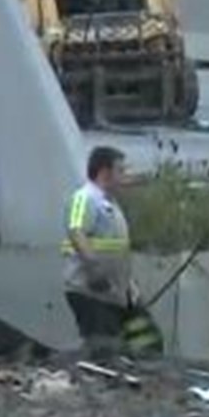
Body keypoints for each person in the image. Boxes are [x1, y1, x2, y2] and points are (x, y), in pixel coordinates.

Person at [62, 145, 135, 357]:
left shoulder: (109, 204)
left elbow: (117, 249)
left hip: (113, 293)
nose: (124, 177)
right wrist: (94, 269)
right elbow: (76, 230)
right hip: (89, 290)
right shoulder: (84, 198)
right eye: (120, 171)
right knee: (103, 347)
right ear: (105, 172)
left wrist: (130, 286)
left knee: (132, 342)